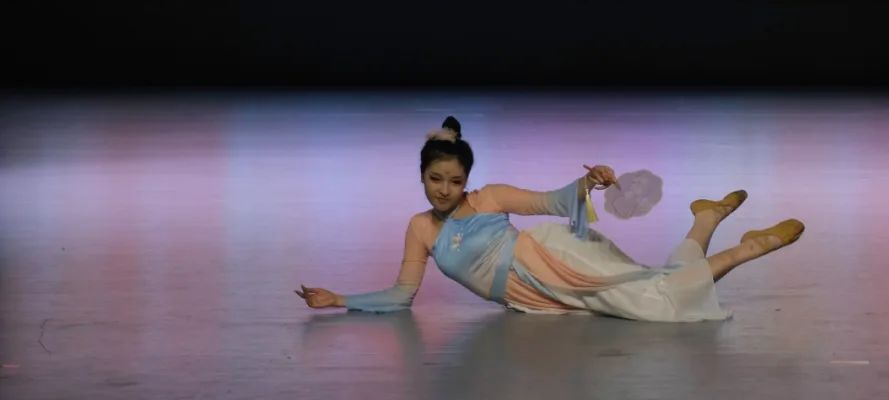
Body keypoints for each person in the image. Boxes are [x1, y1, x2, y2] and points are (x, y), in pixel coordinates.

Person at [296, 116, 804, 322]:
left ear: (467, 178)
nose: (444, 190)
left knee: (658, 301)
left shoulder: (490, 198)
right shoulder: (419, 228)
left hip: (555, 260)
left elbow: (551, 202)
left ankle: (749, 248)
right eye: (435, 180)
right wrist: (340, 299)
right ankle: (707, 218)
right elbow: (401, 295)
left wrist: (590, 182)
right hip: (535, 296)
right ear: (422, 177)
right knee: (659, 284)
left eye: (454, 180)